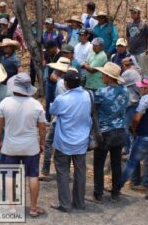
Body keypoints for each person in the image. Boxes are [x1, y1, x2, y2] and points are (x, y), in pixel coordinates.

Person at [0, 73, 47, 217]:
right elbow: (42, 127)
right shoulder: (36, 105)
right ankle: (33, 208)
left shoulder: (5, 102)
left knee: (10, 175)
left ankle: (12, 207)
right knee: (33, 176)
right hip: (30, 146)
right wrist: (42, 143)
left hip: (10, 146)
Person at [48, 70, 91, 212]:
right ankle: (79, 202)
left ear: (65, 84)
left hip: (64, 141)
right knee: (80, 171)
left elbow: (53, 111)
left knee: (62, 171)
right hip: (82, 141)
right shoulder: (88, 95)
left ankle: (65, 204)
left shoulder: (62, 99)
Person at [91, 62, 129, 202]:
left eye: (103, 75)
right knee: (116, 163)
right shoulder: (125, 91)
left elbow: (94, 109)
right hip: (120, 130)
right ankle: (116, 192)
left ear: (108, 77)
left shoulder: (101, 92)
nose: (102, 76)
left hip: (105, 131)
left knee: (99, 163)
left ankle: (98, 193)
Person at [40, 56, 73, 180]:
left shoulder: (60, 83)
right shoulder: (72, 82)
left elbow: (57, 103)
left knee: (49, 142)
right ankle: (66, 172)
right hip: (70, 117)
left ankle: (46, 170)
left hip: (59, 117)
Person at [120, 56, 142, 155]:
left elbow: (118, 82)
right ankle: (131, 148)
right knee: (132, 127)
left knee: (128, 127)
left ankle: (129, 149)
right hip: (136, 102)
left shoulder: (128, 73)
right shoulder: (137, 71)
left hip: (131, 103)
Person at [126, 7, 148, 75]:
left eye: (134, 13)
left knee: (144, 70)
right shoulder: (129, 24)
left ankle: (146, 84)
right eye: (131, 13)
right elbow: (128, 36)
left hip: (141, 51)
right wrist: (128, 46)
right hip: (132, 51)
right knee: (133, 70)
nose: (132, 14)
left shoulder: (144, 24)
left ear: (139, 14)